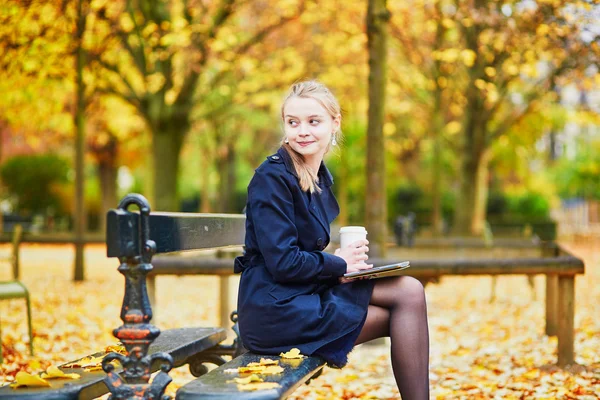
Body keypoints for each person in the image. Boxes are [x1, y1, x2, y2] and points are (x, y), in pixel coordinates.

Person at [234, 80, 430, 399]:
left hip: (298, 295)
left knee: (409, 290)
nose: (303, 131)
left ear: (334, 122)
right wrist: (340, 263)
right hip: (276, 311)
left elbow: (297, 251)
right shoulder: (271, 178)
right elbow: (283, 263)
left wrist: (340, 263)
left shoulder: (317, 174)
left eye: (314, 121)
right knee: (402, 308)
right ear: (284, 125)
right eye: (293, 122)